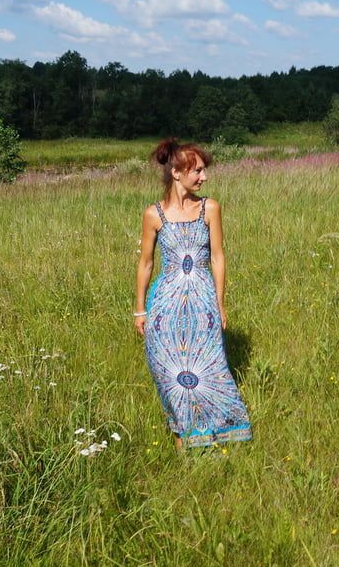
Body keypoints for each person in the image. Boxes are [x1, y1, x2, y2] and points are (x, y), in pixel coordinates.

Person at [134, 138, 252, 451]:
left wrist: (220, 303)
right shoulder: (153, 215)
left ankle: (221, 431)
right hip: (165, 306)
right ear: (176, 173)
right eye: (197, 171)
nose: (204, 177)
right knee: (170, 372)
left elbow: (218, 257)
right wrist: (139, 309)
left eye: (203, 170)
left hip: (203, 302)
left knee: (210, 367)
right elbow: (145, 263)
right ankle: (182, 436)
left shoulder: (210, 208)